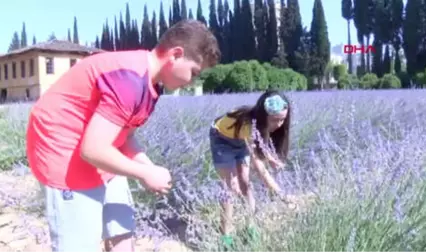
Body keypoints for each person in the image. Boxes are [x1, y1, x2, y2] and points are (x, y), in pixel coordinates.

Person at [26, 19, 220, 252]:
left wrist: (149, 168)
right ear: (176, 54)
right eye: (194, 72)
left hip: (100, 149)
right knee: (79, 245)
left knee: (121, 231)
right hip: (64, 152)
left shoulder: (151, 84)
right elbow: (93, 150)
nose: (192, 81)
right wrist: (143, 173)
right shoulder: (130, 81)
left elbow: (125, 138)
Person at [209, 90, 292, 248]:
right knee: (230, 187)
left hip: (241, 140)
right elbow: (260, 169)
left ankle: (251, 228)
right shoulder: (250, 126)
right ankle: (225, 238)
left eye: (283, 120)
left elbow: (259, 146)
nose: (279, 124)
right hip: (221, 139)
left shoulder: (258, 127)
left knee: (246, 184)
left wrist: (270, 157)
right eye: (275, 120)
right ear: (263, 116)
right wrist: (280, 194)